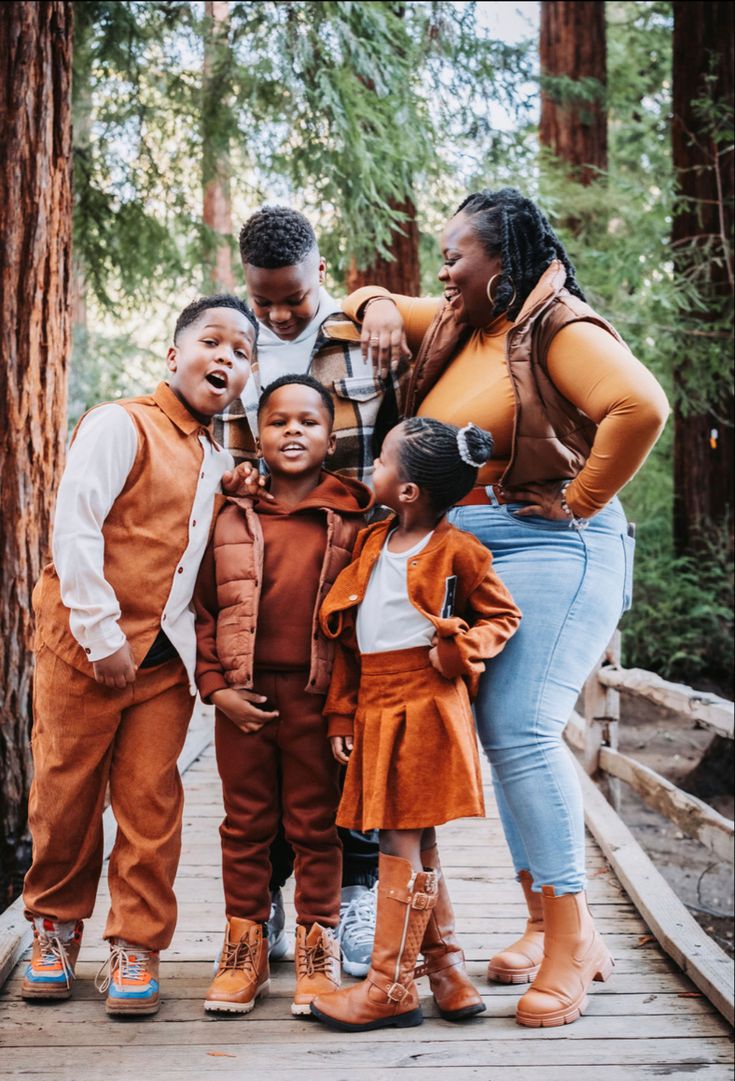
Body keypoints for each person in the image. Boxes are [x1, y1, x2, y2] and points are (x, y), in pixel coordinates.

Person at [341, 187, 669, 1028]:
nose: (441, 271)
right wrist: (378, 301)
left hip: (556, 542)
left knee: (521, 728)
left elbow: (640, 407)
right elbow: (361, 304)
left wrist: (581, 500)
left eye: (455, 256)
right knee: (500, 731)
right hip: (480, 543)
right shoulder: (467, 323)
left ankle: (572, 939)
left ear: (501, 262)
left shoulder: (559, 328)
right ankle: (542, 919)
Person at [22, 294, 257, 1016]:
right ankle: (54, 930)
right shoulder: (120, 424)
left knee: (152, 804)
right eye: (211, 342)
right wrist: (101, 637)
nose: (225, 357)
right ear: (172, 354)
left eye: (241, 352)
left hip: (161, 667)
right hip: (82, 650)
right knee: (65, 795)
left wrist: (237, 489)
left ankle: (136, 945)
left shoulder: (218, 458)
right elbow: (76, 528)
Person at [214, 205, 400, 976]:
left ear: (321, 273)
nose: (279, 312)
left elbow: (405, 418)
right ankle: (277, 910)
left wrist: (380, 296)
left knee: (350, 738)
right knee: (272, 775)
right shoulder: (236, 343)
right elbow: (224, 439)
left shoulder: (364, 329)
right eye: (265, 301)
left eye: (292, 297)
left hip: (359, 550)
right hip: (269, 548)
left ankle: (355, 895)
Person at [309, 418, 522, 1032]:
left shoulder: (460, 551)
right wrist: (342, 711)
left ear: (408, 492)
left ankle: (388, 988)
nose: (370, 472)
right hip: (376, 701)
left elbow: (502, 616)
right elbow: (352, 644)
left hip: (426, 704)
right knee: (417, 841)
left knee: (396, 838)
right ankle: (447, 973)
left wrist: (461, 646)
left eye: (381, 466)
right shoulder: (373, 543)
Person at [195, 375, 374, 1016]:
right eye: (278, 422)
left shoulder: (355, 519)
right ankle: (243, 949)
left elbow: (359, 630)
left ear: (331, 437)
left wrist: (343, 709)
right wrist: (217, 689)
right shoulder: (230, 512)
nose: (292, 431)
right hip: (242, 700)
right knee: (244, 825)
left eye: (308, 421)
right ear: (258, 435)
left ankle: (315, 948)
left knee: (315, 827)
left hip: (315, 698)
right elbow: (204, 609)